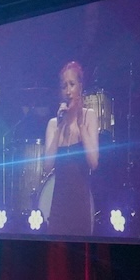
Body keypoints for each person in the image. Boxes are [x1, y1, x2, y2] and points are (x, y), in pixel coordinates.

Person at [41, 60, 100, 236]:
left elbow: (93, 163)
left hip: (80, 207)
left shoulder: (89, 116)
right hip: (58, 208)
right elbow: (47, 166)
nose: (68, 91)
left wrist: (81, 126)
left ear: (80, 86)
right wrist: (59, 127)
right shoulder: (53, 124)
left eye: (72, 84)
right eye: (64, 86)